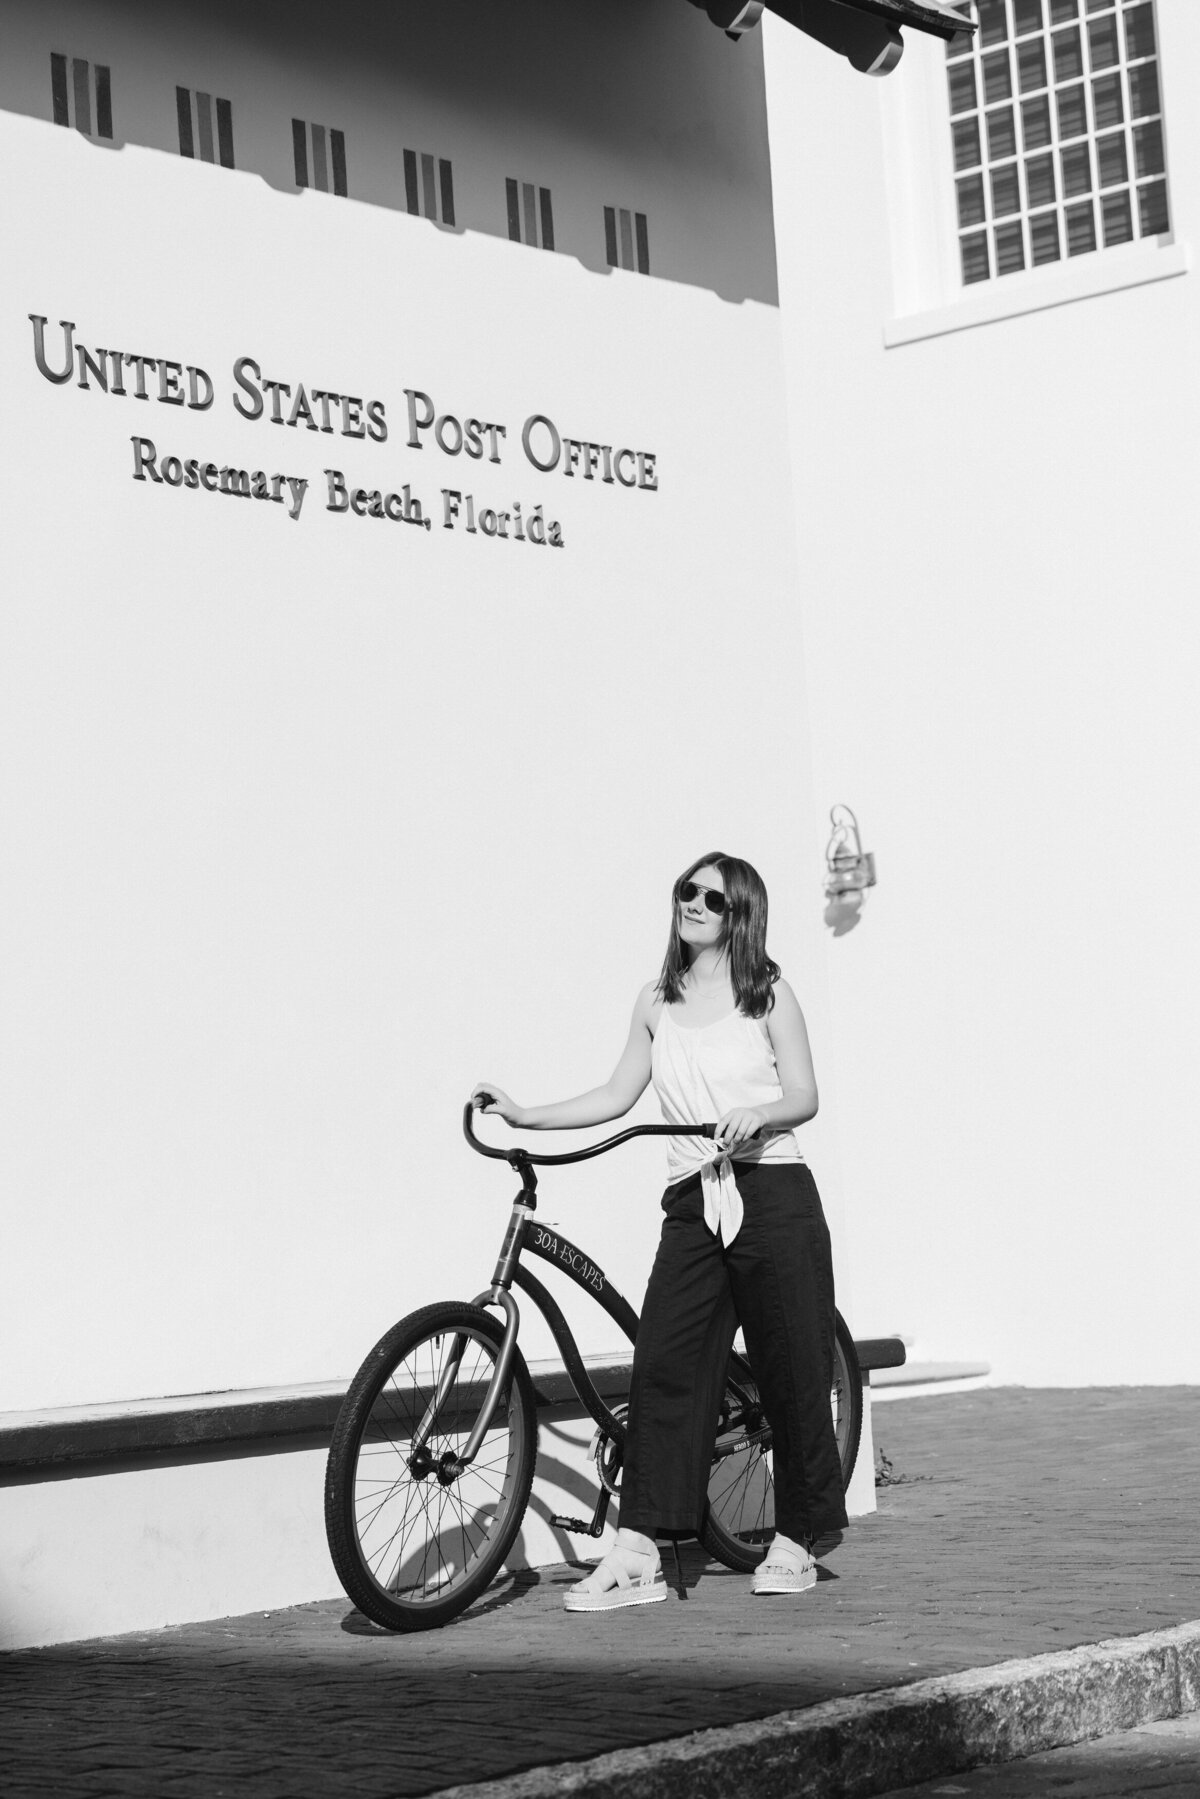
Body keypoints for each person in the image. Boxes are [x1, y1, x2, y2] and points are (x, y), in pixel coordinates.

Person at [472, 851, 847, 1611]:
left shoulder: (768, 994)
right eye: (687, 890)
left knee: (791, 1366)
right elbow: (617, 1092)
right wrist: (526, 1113)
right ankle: (640, 1548)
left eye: (712, 896)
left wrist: (760, 1113)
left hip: (770, 1186)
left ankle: (799, 1538)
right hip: (692, 1195)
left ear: (740, 912)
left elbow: (804, 1093)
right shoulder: (657, 999)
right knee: (663, 1363)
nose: (695, 903)